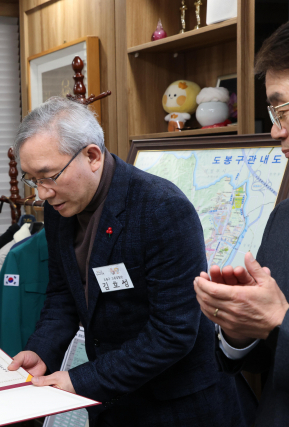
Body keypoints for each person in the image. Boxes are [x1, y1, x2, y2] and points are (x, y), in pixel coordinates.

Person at [6, 97, 256, 426]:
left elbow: (174, 333)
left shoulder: (161, 209)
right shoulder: (60, 210)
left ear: (92, 156)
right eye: (32, 180)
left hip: (177, 406)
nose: (41, 193)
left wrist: (80, 380)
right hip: (113, 404)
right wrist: (41, 351)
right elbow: (62, 295)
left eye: (48, 176)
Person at [194, 21, 289, 426]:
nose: (275, 131)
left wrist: (280, 319)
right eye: (274, 112)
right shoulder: (283, 218)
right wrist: (239, 328)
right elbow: (265, 354)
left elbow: (281, 323)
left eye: (284, 111)